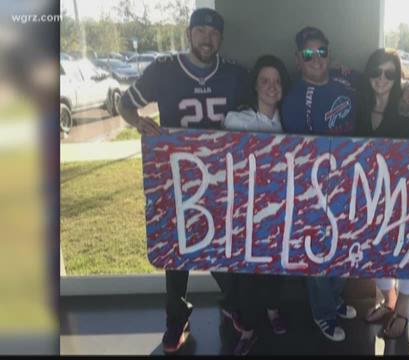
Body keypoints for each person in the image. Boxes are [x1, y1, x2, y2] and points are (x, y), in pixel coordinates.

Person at [117, 8, 248, 354]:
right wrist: (138, 122)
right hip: (177, 176)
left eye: (214, 32)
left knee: (223, 247)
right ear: (189, 34)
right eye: (201, 31)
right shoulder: (163, 70)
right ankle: (177, 318)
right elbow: (124, 104)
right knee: (176, 252)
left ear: (221, 38)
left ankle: (232, 304)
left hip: (222, 178)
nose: (208, 38)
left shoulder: (235, 74)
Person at [280, 26, 358, 342]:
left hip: (351, 180)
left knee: (345, 248)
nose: (316, 59)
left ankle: (335, 301)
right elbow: (300, 153)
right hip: (316, 189)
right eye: (308, 53)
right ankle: (322, 313)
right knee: (319, 254)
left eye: (321, 51)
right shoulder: (297, 98)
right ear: (298, 59)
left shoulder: (345, 81)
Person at [220, 55, 291, 354]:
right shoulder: (237, 120)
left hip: (278, 208)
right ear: (255, 85)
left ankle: (273, 311)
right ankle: (248, 329)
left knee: (275, 265)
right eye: (265, 80)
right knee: (246, 272)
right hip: (243, 211)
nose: (271, 87)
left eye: (276, 81)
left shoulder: (289, 120)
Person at [356, 48, 409, 339]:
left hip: (404, 195)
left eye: (390, 73)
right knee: (377, 246)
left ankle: (403, 310)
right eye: (376, 72)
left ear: (398, 76)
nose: (382, 78)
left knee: (407, 248)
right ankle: (388, 301)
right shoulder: (359, 106)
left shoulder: (408, 108)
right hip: (368, 194)